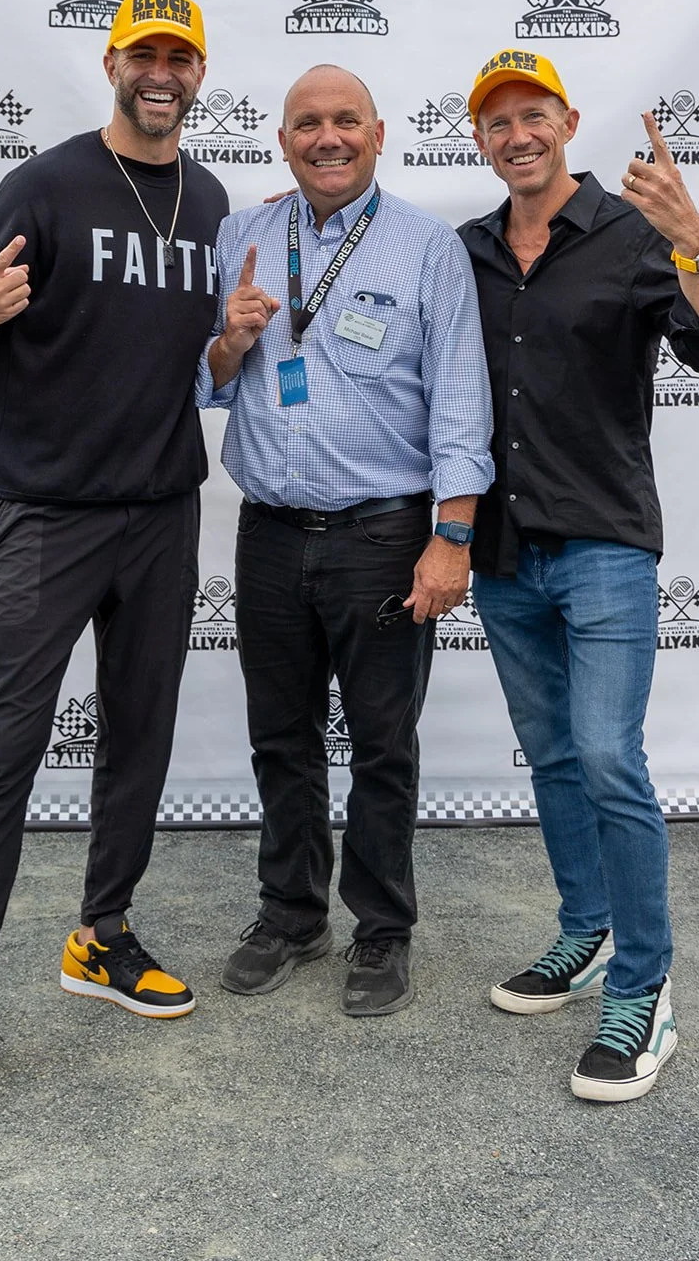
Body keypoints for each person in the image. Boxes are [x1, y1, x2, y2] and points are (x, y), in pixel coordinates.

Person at [0, 0, 228, 1121]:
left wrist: (232, 352)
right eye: (145, 52)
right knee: (6, 749)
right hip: (45, 516)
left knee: (138, 735)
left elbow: (198, 364)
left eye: (179, 58)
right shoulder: (42, 185)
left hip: (164, 515)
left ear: (198, 75)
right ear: (112, 62)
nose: (161, 72)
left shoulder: (213, 198)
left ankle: (103, 934)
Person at [458, 49, 699, 1102]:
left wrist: (694, 241)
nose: (518, 133)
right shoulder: (470, 252)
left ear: (567, 122)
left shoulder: (633, 239)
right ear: (478, 138)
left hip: (606, 546)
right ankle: (583, 931)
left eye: (535, 114)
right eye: (498, 121)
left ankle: (645, 984)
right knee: (549, 755)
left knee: (606, 756)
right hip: (501, 553)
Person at [197, 64, 493, 1016]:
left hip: (383, 531)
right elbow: (204, 383)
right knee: (280, 738)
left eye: (345, 122)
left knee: (381, 744)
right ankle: (290, 914)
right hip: (270, 533)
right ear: (281, 141)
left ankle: (382, 929)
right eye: (307, 124)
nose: (328, 138)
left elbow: (459, 402)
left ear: (378, 133)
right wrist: (231, 345)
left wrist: (451, 539)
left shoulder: (426, 248)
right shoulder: (242, 235)